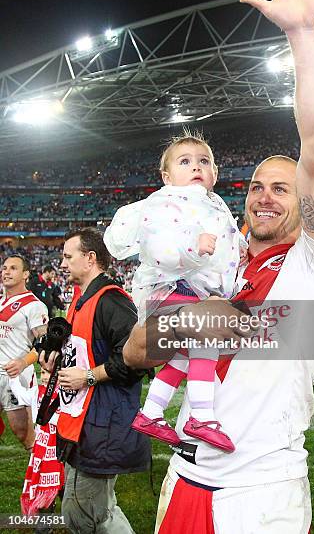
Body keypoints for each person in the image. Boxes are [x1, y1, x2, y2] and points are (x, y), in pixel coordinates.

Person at [123, 0, 314, 533]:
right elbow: (133, 352)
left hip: (260, 492)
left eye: (282, 186)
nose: (264, 194)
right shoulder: (214, 263)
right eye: (255, 185)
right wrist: (207, 318)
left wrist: (302, 37)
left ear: (305, 201)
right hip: (181, 480)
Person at [104, 132, 246, 451]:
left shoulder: (213, 206)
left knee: (183, 354)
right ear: (167, 177)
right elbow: (158, 248)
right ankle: (202, 415)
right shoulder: (166, 203)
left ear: (215, 173)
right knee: (206, 340)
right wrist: (191, 248)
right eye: (185, 162)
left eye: (204, 161)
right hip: (167, 289)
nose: (196, 167)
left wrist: (242, 248)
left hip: (189, 292)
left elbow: (227, 239)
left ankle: (152, 411)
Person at [40, 227, 150, 534]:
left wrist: (88, 376)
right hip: (87, 421)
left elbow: (137, 359)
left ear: (90, 259)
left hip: (103, 422)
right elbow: (88, 351)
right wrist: (56, 357)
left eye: (67, 256)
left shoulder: (111, 301)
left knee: (84, 512)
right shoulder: (83, 299)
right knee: (93, 511)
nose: (61, 264)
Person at [0, 254, 48, 451]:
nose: (6, 272)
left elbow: (46, 343)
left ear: (25, 274)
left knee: (23, 433)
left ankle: (42, 475)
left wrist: (23, 362)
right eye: (4, 268)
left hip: (14, 376)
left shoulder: (34, 305)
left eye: (13, 268)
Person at [9, 367, 64, 517]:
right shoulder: (37, 392)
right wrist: (13, 378)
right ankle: (45, 518)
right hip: (42, 449)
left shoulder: (67, 394)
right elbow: (21, 396)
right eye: (44, 373)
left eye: (52, 374)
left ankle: (72, 514)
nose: (46, 377)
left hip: (63, 447)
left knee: (64, 483)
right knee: (42, 484)